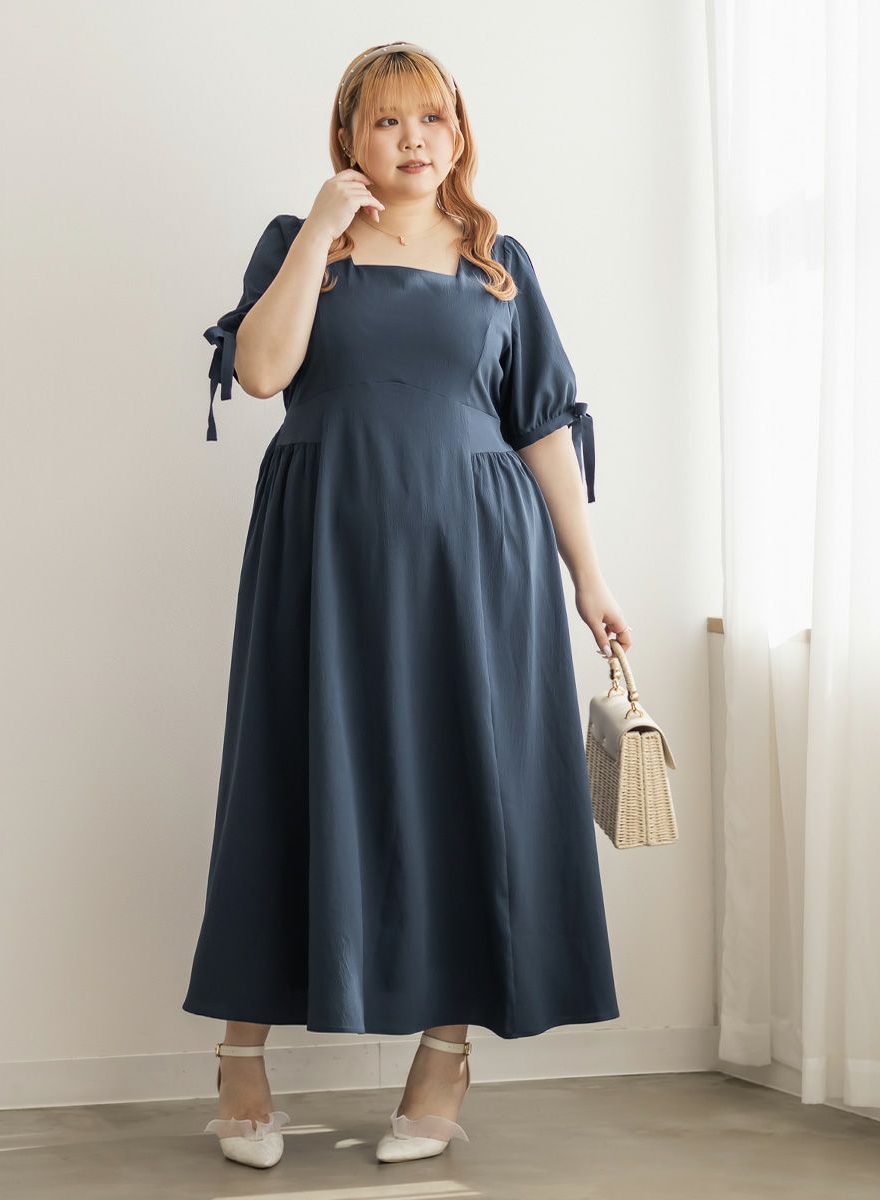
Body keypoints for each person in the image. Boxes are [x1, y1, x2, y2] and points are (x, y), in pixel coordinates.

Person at [182, 41, 632, 1171]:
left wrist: (589, 576)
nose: (413, 140)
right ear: (349, 140)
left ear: (459, 132)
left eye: (431, 118)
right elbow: (262, 373)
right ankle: (240, 1060)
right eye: (386, 122)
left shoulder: (497, 260)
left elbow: (541, 425)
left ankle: (443, 1058)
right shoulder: (300, 244)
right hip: (323, 552)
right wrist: (321, 231)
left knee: (466, 783)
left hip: (478, 562)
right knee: (287, 773)